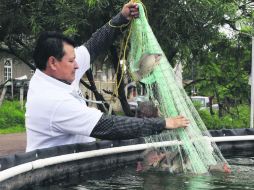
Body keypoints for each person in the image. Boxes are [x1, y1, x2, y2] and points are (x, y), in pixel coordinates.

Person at [25, 1, 190, 152]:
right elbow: (110, 126)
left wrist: (122, 18)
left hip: (75, 163)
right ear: (52, 62)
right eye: (71, 61)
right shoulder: (51, 100)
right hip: (53, 175)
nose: (77, 65)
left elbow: (93, 46)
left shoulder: (56, 73)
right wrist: (163, 123)